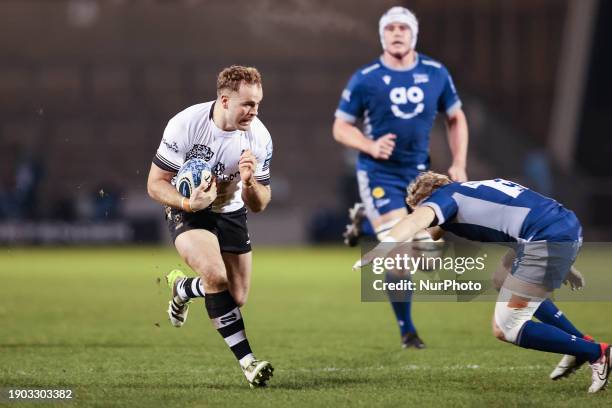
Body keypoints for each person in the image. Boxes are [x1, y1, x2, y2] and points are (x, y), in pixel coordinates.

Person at [355, 171, 610, 393]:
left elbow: (415, 222)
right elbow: (529, 213)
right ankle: (580, 343)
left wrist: (381, 247)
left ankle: (597, 352)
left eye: (419, 207)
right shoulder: (474, 189)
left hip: (546, 240)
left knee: (506, 327)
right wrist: (565, 263)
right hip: (559, 228)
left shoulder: (443, 200)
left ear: (424, 200)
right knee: (501, 278)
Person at [332, 6, 469, 349]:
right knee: (402, 254)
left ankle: (366, 223)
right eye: (390, 28)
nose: (396, 33)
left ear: (413, 34)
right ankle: (408, 331)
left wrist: (460, 162)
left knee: (430, 256)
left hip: (421, 176)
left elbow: (456, 117)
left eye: (403, 28)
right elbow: (340, 126)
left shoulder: (436, 72)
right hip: (380, 174)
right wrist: (369, 145)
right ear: (382, 35)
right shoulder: (366, 77)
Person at [147, 65, 274, 388]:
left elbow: (259, 204)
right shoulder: (186, 124)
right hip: (190, 210)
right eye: (247, 103)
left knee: (237, 295)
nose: (254, 111)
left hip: (231, 211)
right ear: (225, 100)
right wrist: (189, 204)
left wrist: (248, 184)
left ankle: (182, 289)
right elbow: (155, 184)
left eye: (257, 103)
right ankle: (249, 363)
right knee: (216, 276)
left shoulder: (259, 137)